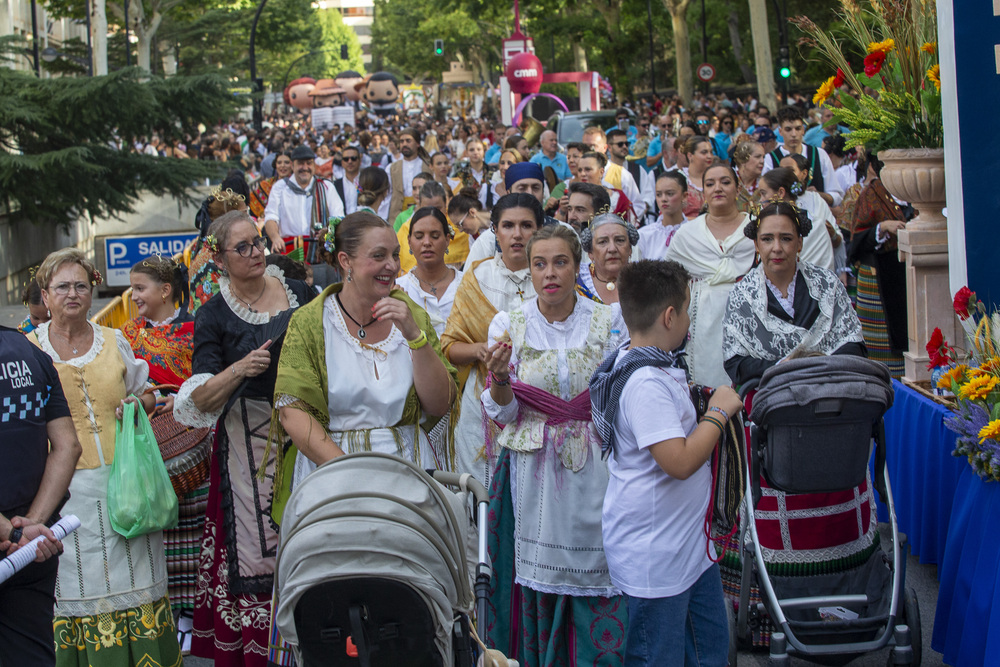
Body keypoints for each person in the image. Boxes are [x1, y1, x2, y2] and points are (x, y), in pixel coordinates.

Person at [722, 202, 875, 646]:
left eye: (785, 238)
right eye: (767, 239)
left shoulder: (828, 285)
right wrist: (789, 373)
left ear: (801, 241)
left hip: (831, 409)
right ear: (756, 243)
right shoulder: (743, 294)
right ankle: (769, 607)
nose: (776, 248)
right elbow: (737, 360)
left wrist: (815, 373)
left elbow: (852, 343)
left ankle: (849, 596)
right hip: (777, 415)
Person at [483, 224, 629, 664]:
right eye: (539, 264)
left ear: (578, 266)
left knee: (605, 566)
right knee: (538, 573)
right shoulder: (509, 323)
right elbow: (505, 413)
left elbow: (620, 398)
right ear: (528, 270)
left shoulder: (609, 319)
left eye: (561, 262)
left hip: (599, 467)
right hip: (534, 472)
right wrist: (502, 379)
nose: (551, 274)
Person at [173, 210, 313, 667]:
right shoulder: (212, 314)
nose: (256, 253)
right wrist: (240, 369)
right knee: (256, 558)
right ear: (217, 258)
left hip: (306, 431)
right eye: (244, 247)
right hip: (244, 447)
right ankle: (265, 654)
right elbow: (201, 396)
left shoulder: (301, 293)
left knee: (312, 537)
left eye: (258, 243)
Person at [31, 248, 182, 666]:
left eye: (81, 285)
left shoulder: (114, 341)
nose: (73, 294)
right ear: (45, 296)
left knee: (138, 582)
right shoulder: (30, 351)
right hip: (64, 492)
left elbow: (147, 393)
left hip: (127, 484)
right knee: (76, 588)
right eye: (62, 286)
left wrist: (139, 403)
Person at [590, 259, 744, 666]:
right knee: (658, 655)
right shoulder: (645, 384)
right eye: (688, 308)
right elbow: (677, 461)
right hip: (655, 560)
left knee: (708, 649)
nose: (689, 318)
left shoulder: (653, 364)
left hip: (689, 548)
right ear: (670, 316)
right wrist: (718, 412)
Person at [271, 211, 457, 497]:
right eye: (379, 256)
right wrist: (352, 476)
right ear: (346, 261)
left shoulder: (412, 316)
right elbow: (293, 413)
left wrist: (413, 336)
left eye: (395, 255)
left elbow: (439, 404)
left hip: (407, 474)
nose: (392, 266)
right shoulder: (311, 322)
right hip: (334, 474)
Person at [120, 255, 205, 640]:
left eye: (140, 288)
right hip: (145, 443)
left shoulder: (196, 328)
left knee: (192, 527)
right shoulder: (126, 335)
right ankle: (163, 614)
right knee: (155, 527)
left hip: (192, 441)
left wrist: (182, 397)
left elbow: (207, 377)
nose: (133, 295)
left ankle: (190, 618)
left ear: (166, 290)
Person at [442, 194, 542, 485]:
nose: (517, 234)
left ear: (539, 230)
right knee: (482, 498)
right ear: (495, 231)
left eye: (527, 225)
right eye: (508, 225)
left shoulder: (552, 277)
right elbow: (449, 346)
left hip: (538, 406)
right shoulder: (477, 276)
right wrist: (479, 351)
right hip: (481, 409)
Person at [0, 326, 80, 666]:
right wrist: (31, 525)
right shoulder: (29, 351)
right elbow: (68, 446)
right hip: (32, 547)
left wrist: (13, 532)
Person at [664, 162, 755, 386]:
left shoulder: (757, 229)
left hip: (753, 316)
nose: (718, 188)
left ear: (737, 188)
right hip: (702, 322)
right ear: (703, 192)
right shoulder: (687, 235)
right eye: (710, 184)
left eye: (725, 182)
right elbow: (672, 283)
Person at [848, 154, 910, 378]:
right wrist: (883, 226)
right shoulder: (871, 195)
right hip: (879, 281)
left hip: (912, 278)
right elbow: (856, 242)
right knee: (883, 354)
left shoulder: (913, 191)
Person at [263, 144, 346, 260]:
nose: (305, 167)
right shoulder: (280, 187)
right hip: (290, 251)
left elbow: (338, 217)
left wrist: (328, 231)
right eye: (301, 163)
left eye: (309, 163)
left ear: (314, 165)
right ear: (293, 165)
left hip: (321, 252)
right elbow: (271, 216)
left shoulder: (326, 187)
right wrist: (275, 237)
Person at [756, 167, 839, 273]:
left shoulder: (816, 225)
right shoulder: (761, 224)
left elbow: (822, 269)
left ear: (781, 193)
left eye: (763, 193)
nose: (761, 200)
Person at [396, 207, 463, 336]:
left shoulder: (467, 284)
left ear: (447, 239)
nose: (427, 242)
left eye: (435, 236)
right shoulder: (400, 289)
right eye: (419, 236)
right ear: (409, 242)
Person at [762, 106, 843, 207]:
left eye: (798, 128)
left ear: (803, 130)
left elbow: (836, 196)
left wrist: (818, 195)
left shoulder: (819, 154)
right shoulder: (771, 158)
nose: (794, 134)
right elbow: (765, 197)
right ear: (780, 131)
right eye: (788, 129)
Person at [576, 212, 639, 304]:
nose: (612, 249)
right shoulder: (577, 282)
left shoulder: (645, 280)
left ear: (630, 249)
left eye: (620, 240)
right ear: (590, 252)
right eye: (602, 242)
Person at [638, 171, 688, 261]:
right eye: (659, 195)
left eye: (670, 194)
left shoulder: (695, 233)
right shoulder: (644, 235)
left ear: (684, 196)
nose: (663, 199)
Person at [387, 128, 432, 223]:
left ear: (418, 143)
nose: (404, 144)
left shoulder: (428, 166)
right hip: (398, 215)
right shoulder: (392, 168)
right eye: (401, 141)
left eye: (408, 141)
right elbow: (388, 195)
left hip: (424, 213)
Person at [248, 152, 291, 221]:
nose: (282, 165)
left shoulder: (297, 185)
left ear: (292, 165)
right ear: (275, 165)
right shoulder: (265, 185)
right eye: (279, 163)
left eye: (286, 162)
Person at [680, 136, 715, 217]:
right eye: (704, 152)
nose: (709, 156)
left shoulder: (716, 179)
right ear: (690, 156)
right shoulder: (678, 180)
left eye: (711, 152)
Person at [731, 139, 765, 211]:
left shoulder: (766, 184)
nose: (762, 161)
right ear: (743, 159)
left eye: (763, 157)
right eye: (757, 157)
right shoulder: (729, 182)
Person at [333, 145, 364, 215]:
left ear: (360, 161)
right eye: (346, 159)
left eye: (353, 158)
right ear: (342, 162)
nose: (350, 161)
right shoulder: (335, 185)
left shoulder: (366, 182)